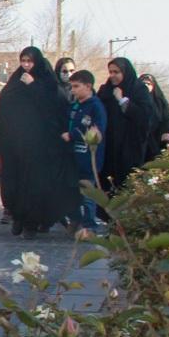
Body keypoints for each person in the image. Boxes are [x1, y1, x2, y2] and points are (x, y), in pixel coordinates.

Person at [0, 46, 78, 238]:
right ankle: (19, 218)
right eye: (23, 61)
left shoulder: (47, 80)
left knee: (37, 185)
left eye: (29, 61)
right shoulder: (16, 80)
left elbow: (55, 104)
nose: (26, 65)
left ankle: (33, 223)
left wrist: (33, 86)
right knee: (16, 183)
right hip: (18, 145)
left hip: (41, 146)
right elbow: (3, 104)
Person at [97, 56, 157, 193]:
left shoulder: (138, 90)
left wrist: (122, 100)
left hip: (129, 147)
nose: (112, 75)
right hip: (109, 147)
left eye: (116, 72)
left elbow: (145, 116)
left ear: (125, 72)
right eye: (110, 72)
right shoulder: (106, 90)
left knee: (126, 186)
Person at [61, 70, 107, 237]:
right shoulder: (75, 106)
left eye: (76, 86)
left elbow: (97, 131)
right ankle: (75, 219)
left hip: (88, 158)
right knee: (68, 192)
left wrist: (73, 135)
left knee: (87, 194)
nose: (73, 90)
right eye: (72, 87)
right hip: (71, 157)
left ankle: (89, 227)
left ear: (88, 86)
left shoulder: (95, 106)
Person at [138, 72, 169, 160]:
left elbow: (166, 119)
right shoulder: (135, 99)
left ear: (153, 86)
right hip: (138, 139)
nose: (146, 86)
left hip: (155, 139)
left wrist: (166, 132)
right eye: (143, 84)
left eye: (148, 84)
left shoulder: (160, 102)